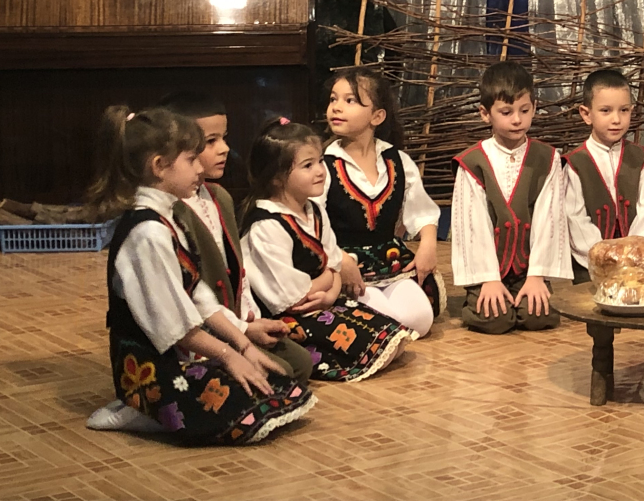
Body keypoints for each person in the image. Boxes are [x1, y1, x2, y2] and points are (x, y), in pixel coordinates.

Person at [85, 106, 313, 443]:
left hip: (184, 351)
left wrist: (243, 345)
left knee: (277, 386)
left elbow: (198, 296)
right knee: (247, 407)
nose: (199, 168)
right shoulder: (147, 233)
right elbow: (175, 327)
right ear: (159, 166)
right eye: (191, 159)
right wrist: (229, 355)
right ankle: (140, 408)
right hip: (156, 367)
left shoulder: (167, 217)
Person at [242, 118, 412, 381]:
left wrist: (331, 293)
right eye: (307, 166)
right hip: (287, 317)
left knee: (396, 337)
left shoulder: (314, 210)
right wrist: (329, 278)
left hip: (322, 302)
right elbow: (293, 298)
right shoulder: (267, 225)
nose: (320, 171)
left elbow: (334, 263)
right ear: (276, 178)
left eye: (320, 161)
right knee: (380, 348)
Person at [161, 91, 312, 383]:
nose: (225, 149)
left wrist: (248, 323)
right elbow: (190, 295)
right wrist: (238, 335)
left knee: (299, 364)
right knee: (277, 376)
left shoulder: (219, 197)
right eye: (210, 142)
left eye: (224, 138)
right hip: (195, 332)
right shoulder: (172, 212)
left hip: (230, 323)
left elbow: (237, 273)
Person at [321, 68, 443, 338]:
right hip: (345, 265)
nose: (337, 107)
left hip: (389, 261)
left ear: (377, 116)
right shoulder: (323, 165)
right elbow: (311, 222)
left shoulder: (397, 161)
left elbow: (422, 211)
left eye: (350, 101)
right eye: (333, 99)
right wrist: (339, 258)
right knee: (381, 323)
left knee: (419, 319)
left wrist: (428, 245)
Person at [451, 61, 569, 334]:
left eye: (524, 111)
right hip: (489, 269)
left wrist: (537, 275)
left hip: (526, 269)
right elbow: (473, 225)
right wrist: (489, 279)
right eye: (506, 112)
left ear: (534, 108)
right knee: (495, 319)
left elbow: (549, 217)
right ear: (485, 114)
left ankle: (525, 290)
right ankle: (476, 297)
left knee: (538, 316)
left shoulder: (547, 158)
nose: (517, 119)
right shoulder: (473, 162)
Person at [564, 68, 644, 283]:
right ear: (586, 114)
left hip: (637, 268)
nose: (616, 119)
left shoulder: (639, 159)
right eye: (605, 111)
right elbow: (575, 220)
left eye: (624, 110)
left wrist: (634, 257)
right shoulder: (575, 164)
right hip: (591, 270)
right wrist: (605, 258)